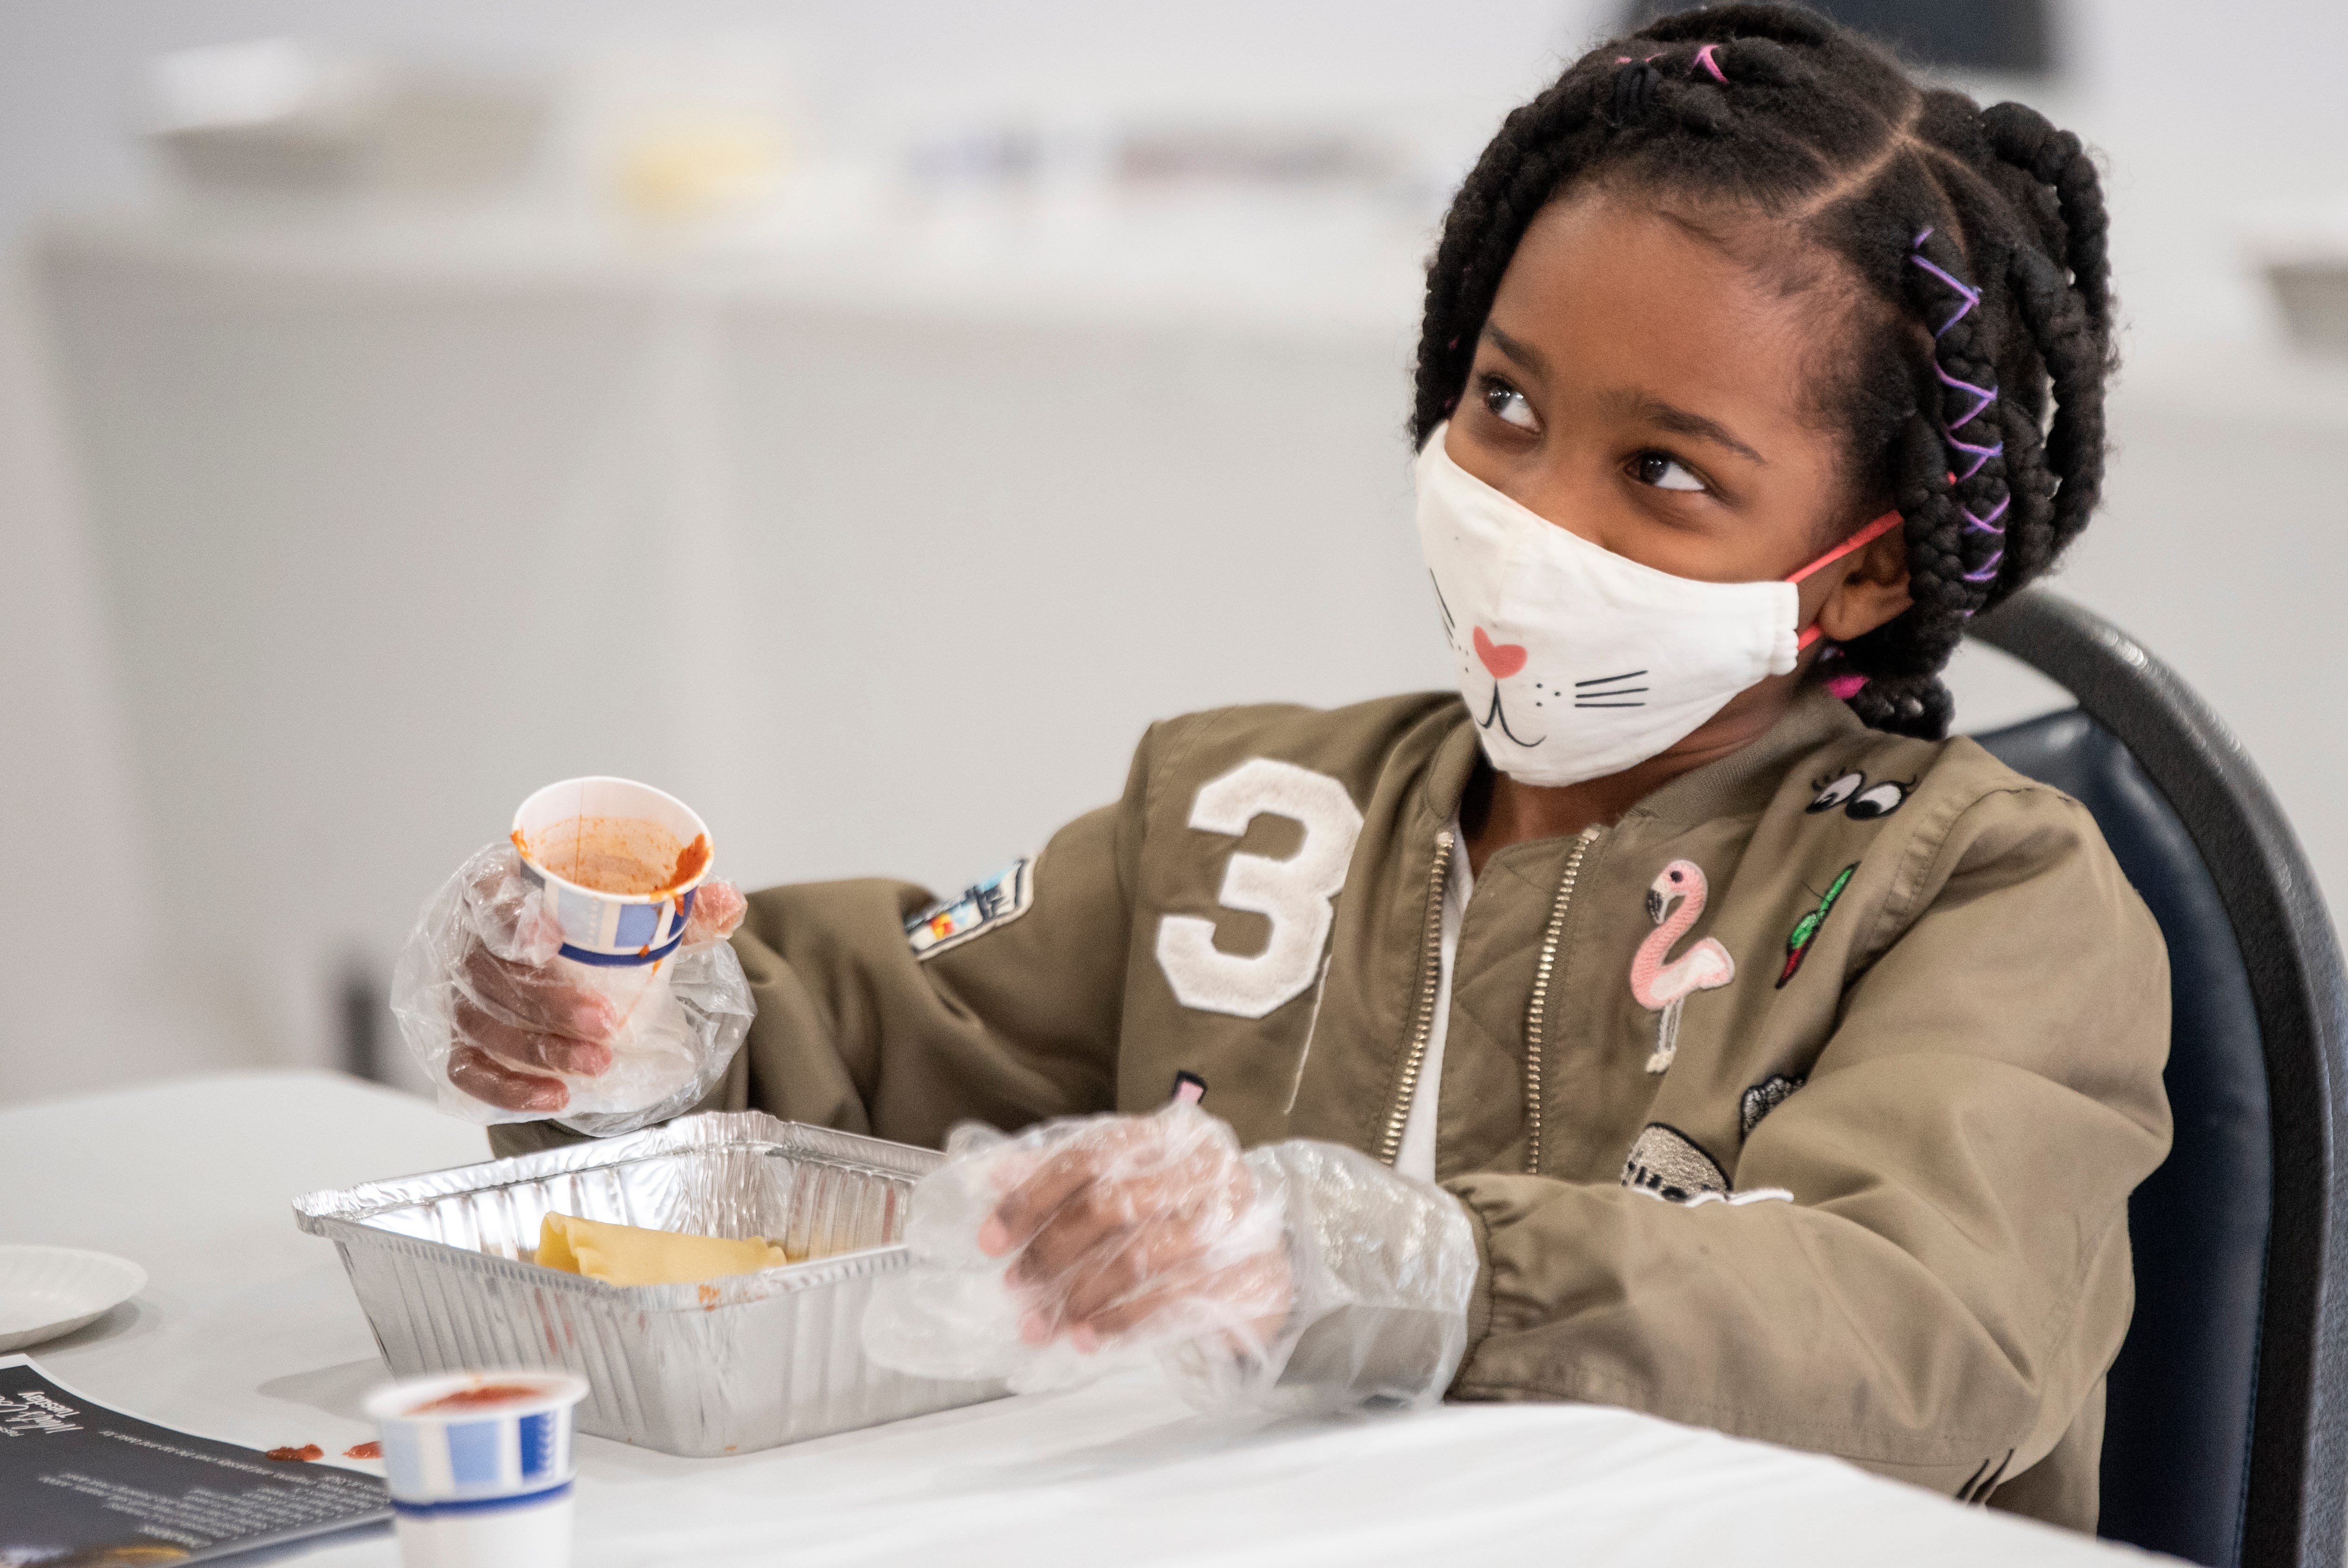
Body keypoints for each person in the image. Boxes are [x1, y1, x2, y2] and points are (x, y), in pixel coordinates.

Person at [411, 3, 2167, 1531]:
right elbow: (860, 1042)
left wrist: (1414, 1266)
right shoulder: (1245, 816)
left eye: (1668, 474)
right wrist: (631, 1022)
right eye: (1506, 405)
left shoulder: (1982, 892)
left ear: (1864, 565)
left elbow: (1931, 1337)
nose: (1536, 512)